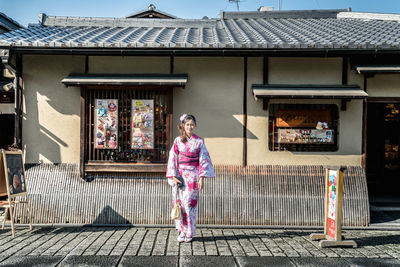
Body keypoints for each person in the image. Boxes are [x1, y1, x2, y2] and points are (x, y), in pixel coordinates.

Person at [166, 114, 215, 242]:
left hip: (193, 176)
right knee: (179, 204)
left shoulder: (199, 141)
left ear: (195, 125)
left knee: (190, 205)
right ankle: (181, 231)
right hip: (180, 177)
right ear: (183, 126)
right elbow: (172, 158)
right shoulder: (177, 141)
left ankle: (190, 232)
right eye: (187, 124)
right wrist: (173, 176)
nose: (190, 127)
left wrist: (202, 178)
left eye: (192, 124)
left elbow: (203, 159)